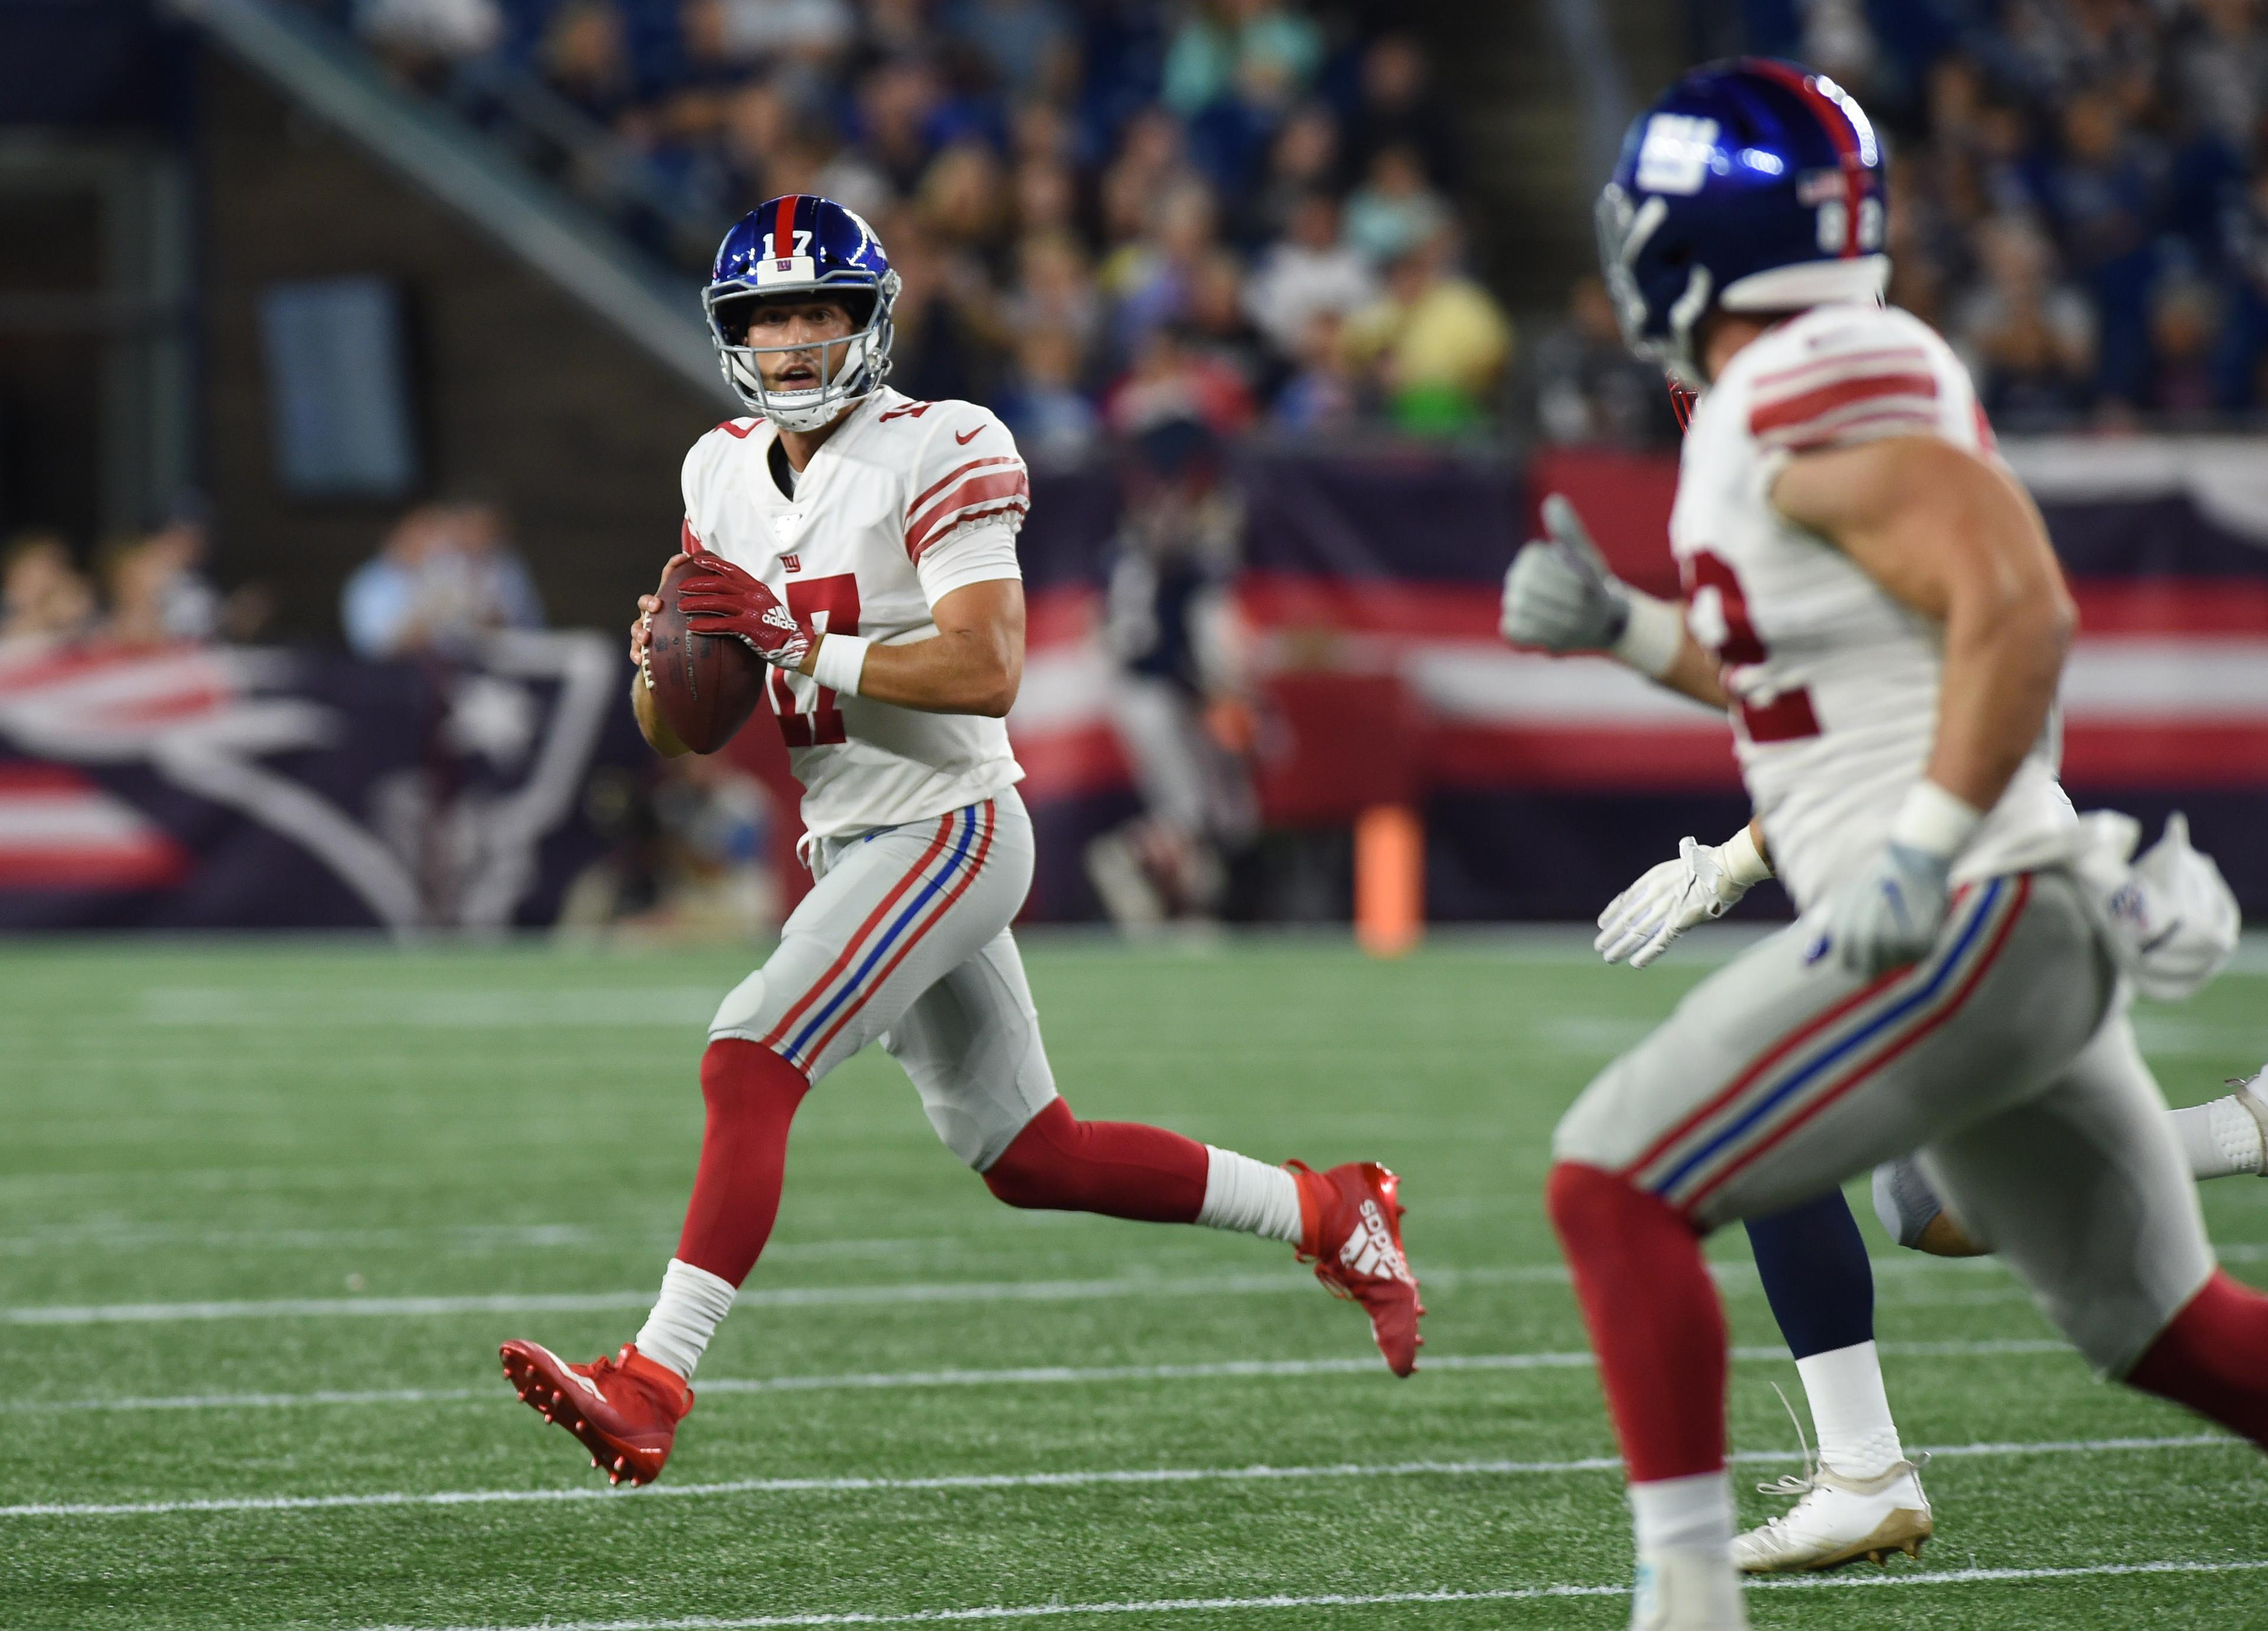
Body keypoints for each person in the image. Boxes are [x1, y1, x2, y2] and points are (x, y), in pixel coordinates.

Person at [1502, 62, 2268, 1629]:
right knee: (2161, 1325)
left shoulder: (1802, 380)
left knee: (1615, 1179)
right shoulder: (1774, 387)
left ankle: (1695, 1596)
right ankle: (1869, 1473)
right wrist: (1632, 636)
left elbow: (2016, 610)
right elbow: (1817, 673)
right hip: (1983, 899)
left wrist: (1919, 854)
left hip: (1967, 904)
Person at [498, 195, 1423, 1486]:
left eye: (820, 310)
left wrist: (792, 640)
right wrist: (664, 660)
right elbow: (684, 734)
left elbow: (988, 667)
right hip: (854, 841)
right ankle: (1330, 1210)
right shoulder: (717, 472)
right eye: (770, 318)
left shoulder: (940, 446)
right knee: (1035, 1156)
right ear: (734, 337)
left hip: (949, 826)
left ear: (869, 321)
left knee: (749, 1056)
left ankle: (653, 1379)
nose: (797, 341)